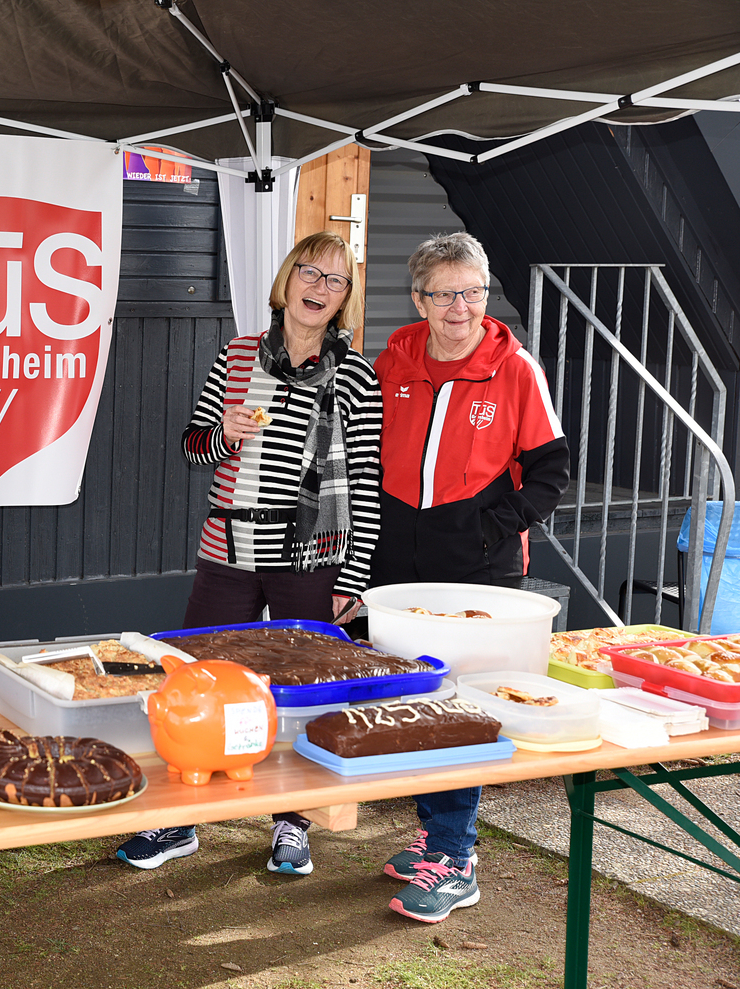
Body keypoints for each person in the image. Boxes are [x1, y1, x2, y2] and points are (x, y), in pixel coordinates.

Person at [115, 231, 383, 875]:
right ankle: (181, 821)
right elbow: (192, 447)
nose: (319, 288)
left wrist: (354, 578)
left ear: (345, 297)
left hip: (312, 553)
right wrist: (224, 433)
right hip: (228, 546)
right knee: (196, 675)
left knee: (301, 687)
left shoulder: (357, 374)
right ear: (286, 280)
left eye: (336, 280)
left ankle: (292, 822)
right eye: (310, 273)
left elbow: (368, 481)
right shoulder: (237, 356)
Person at [371, 231, 569, 923]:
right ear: (418, 299)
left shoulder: (515, 369)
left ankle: (456, 857)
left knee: (462, 707)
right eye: (446, 294)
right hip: (399, 560)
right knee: (415, 698)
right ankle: (435, 831)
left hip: (477, 567)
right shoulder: (391, 362)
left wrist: (492, 525)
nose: (461, 307)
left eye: (474, 292)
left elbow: (551, 472)